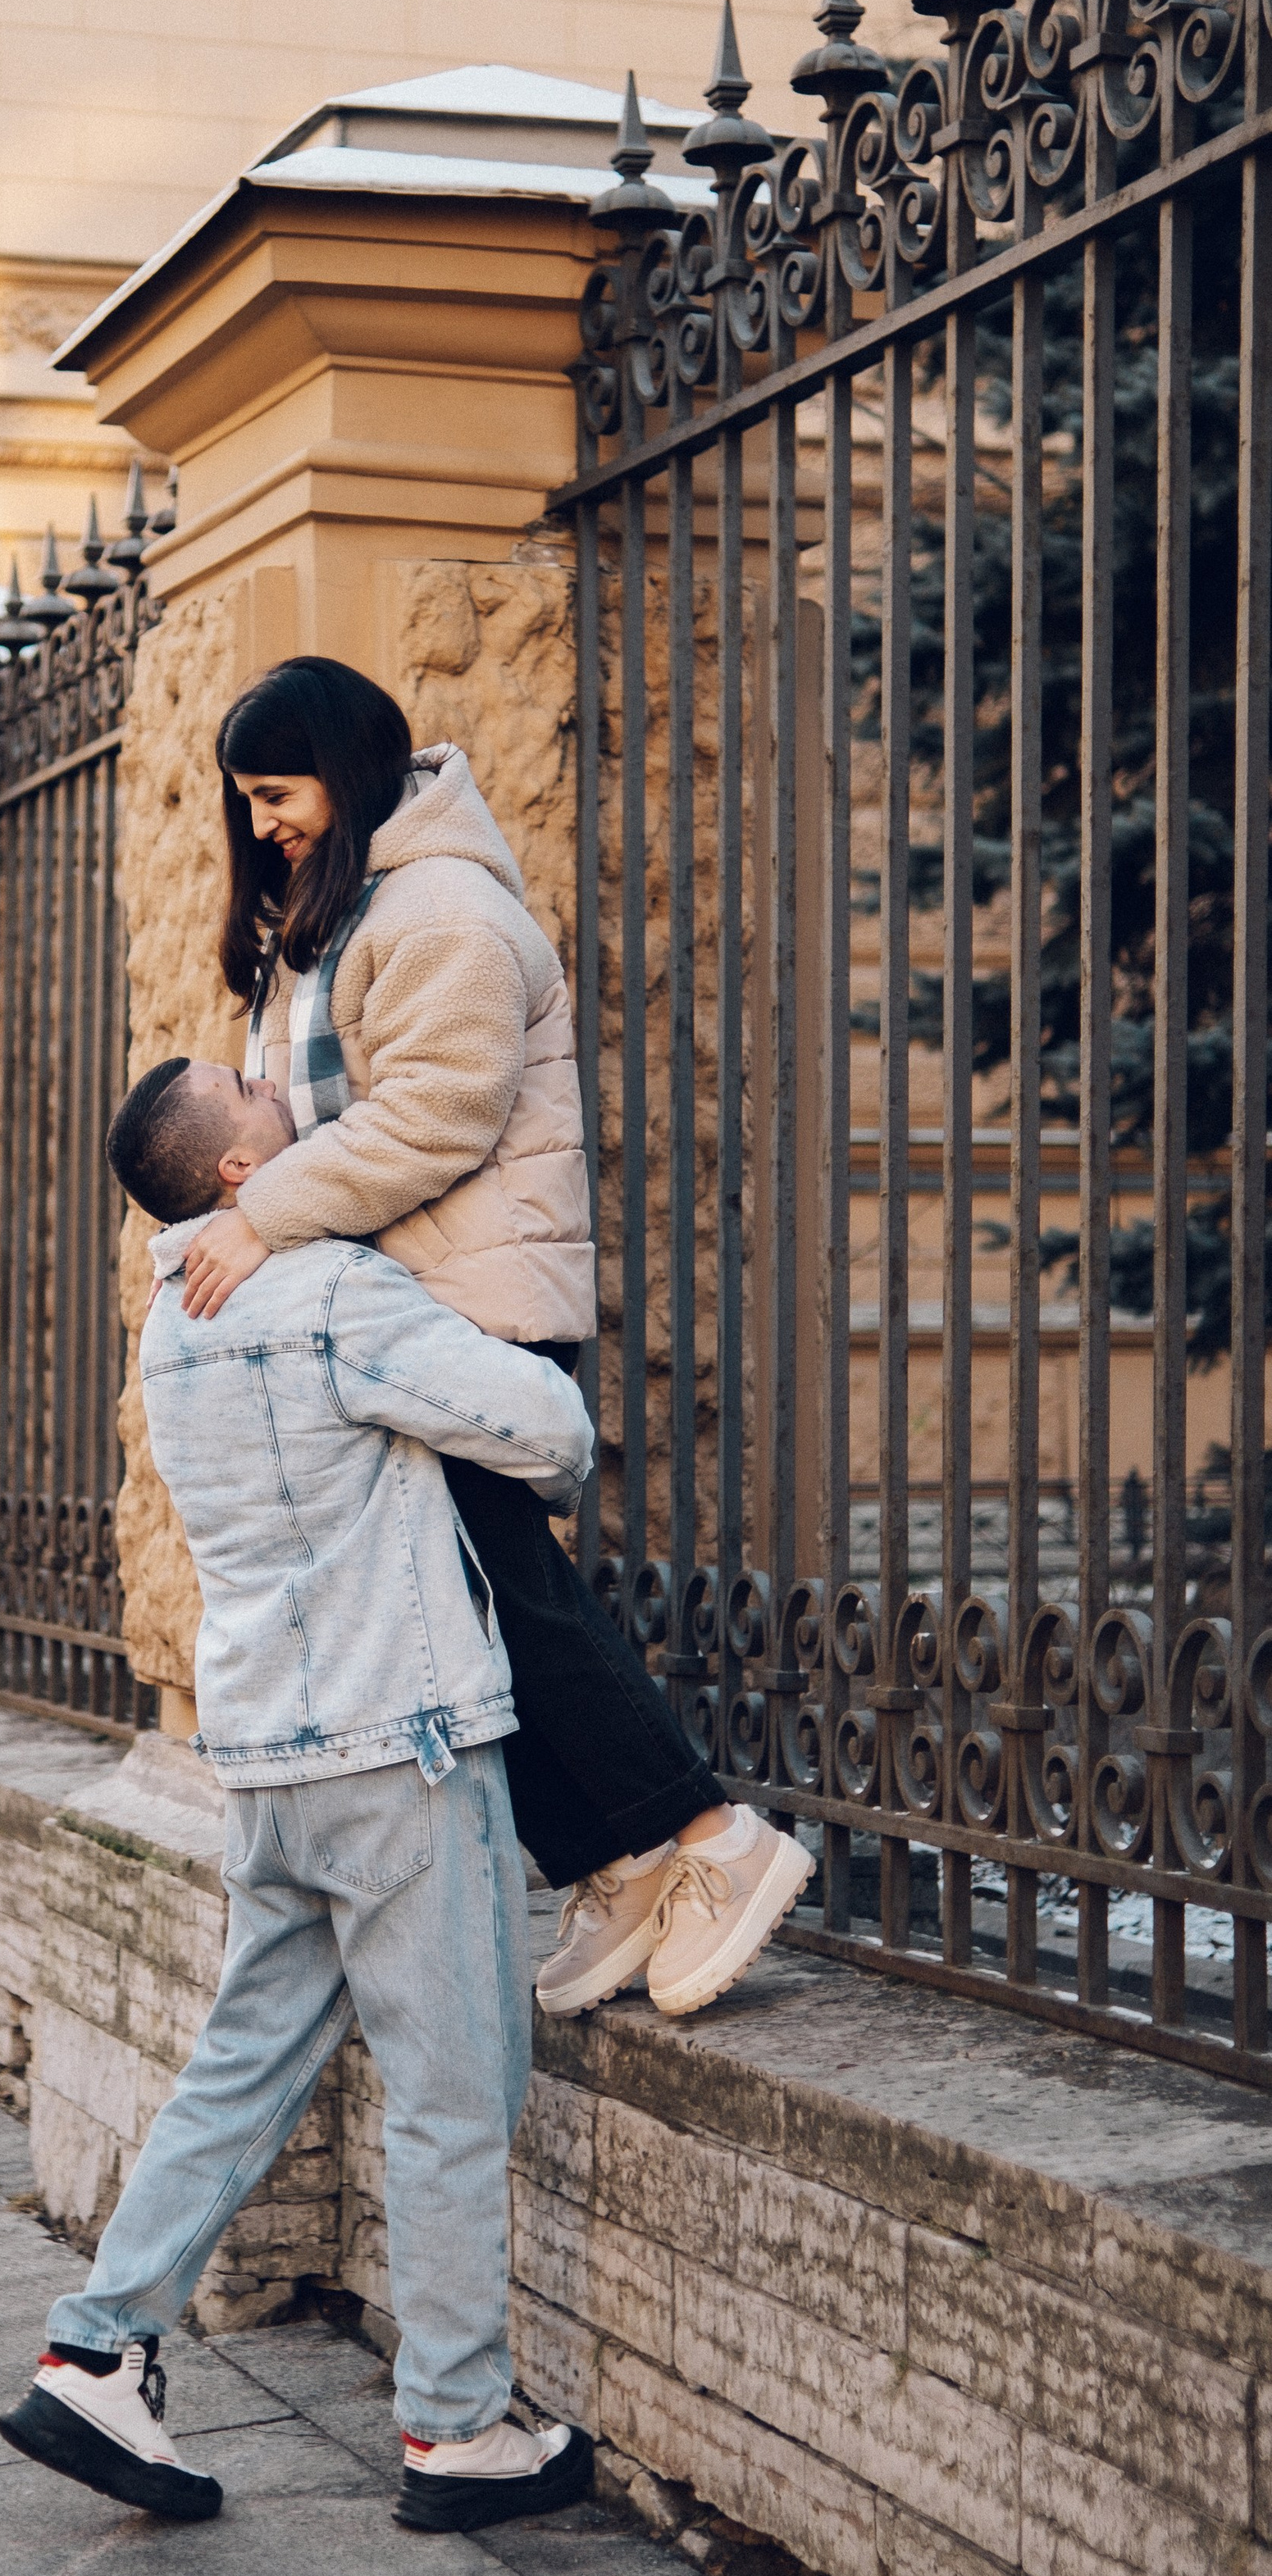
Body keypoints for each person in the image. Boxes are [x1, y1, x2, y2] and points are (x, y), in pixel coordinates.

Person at [0, 1054, 598, 2533]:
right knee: (457, 2090)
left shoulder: (173, 1317)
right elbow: (551, 1432)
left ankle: (96, 2343)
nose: (273, 1077)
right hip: (403, 1747)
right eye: (245, 1086)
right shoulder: (330, 1292)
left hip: (268, 1754)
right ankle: (457, 2430)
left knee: (246, 2062)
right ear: (231, 1172)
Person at [177, 655, 809, 2021]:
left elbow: (434, 1120)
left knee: (509, 1600)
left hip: (481, 1315)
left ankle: (715, 1840)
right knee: (460, 1618)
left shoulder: (447, 913)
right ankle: (618, 1859)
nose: (265, 821)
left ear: (344, 769)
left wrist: (260, 1219)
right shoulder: (342, 917)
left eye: (277, 793)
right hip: (407, 1316)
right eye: (250, 801)